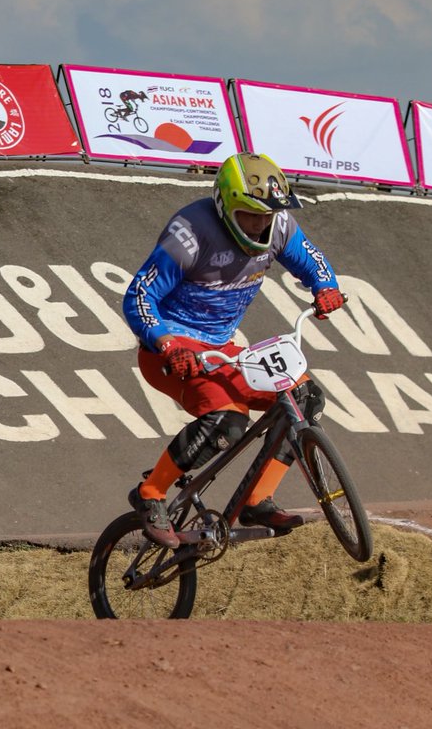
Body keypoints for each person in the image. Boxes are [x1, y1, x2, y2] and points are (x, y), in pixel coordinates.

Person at [122, 152, 345, 548]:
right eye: (250, 215)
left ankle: (257, 501)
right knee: (229, 420)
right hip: (171, 351)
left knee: (303, 398)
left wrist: (325, 286)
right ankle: (150, 494)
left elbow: (312, 261)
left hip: (222, 347)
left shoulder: (279, 225)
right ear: (224, 205)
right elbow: (139, 296)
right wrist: (167, 344)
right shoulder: (190, 234)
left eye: (267, 214)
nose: (260, 224)